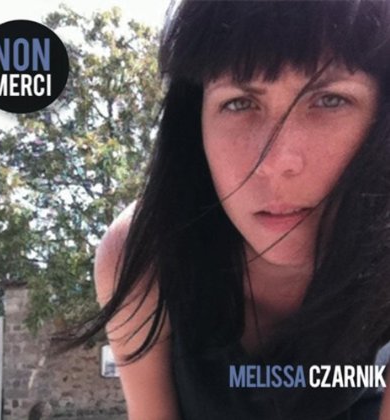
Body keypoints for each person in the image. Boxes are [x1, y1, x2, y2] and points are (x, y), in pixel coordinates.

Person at [89, 1, 390, 419]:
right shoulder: (142, 257)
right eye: (240, 103)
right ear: (194, 122)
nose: (275, 161)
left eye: (329, 99)